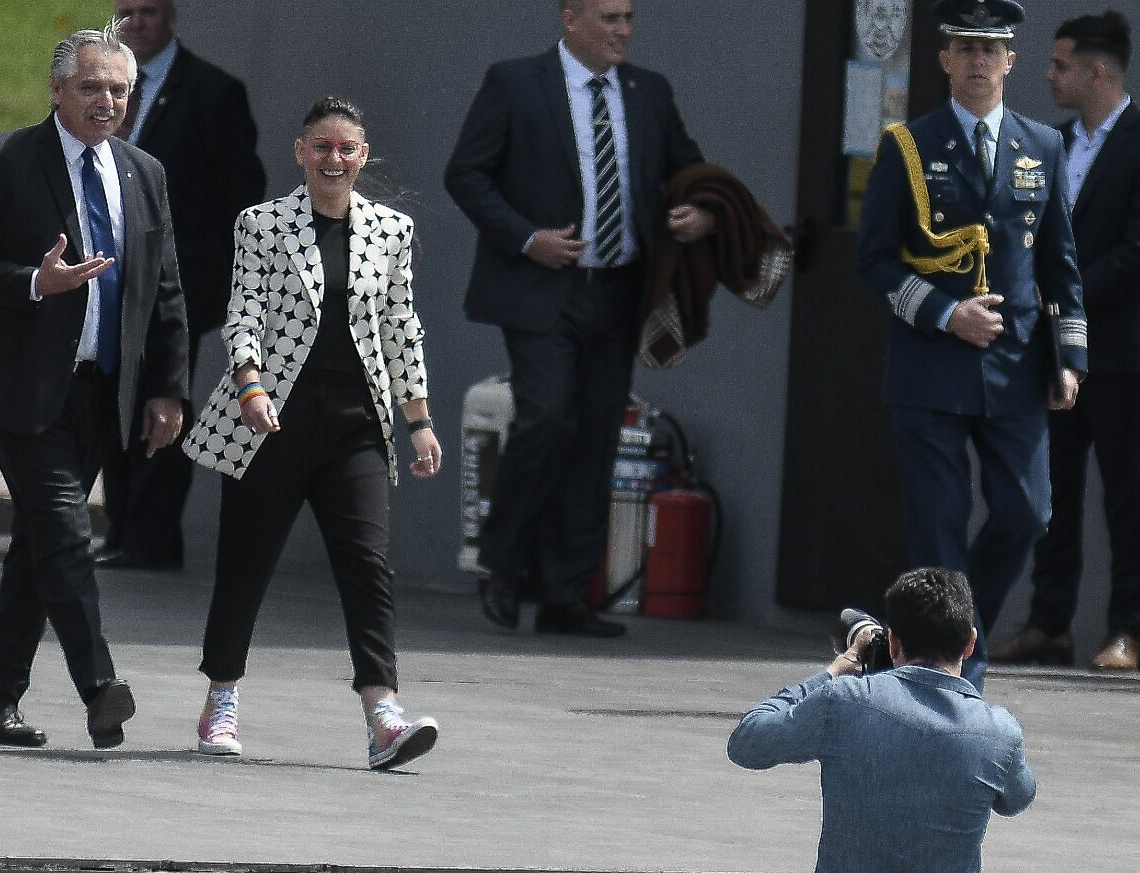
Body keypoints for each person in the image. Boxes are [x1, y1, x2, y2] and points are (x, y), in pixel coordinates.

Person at [0, 23, 189, 748]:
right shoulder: (1, 158)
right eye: (90, 87)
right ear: (56, 90)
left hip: (102, 391)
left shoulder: (144, 173)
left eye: (117, 89)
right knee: (67, 532)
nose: (105, 101)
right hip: (20, 388)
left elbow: (165, 287)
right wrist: (33, 283)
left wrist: (168, 389)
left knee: (40, 547)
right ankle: (99, 684)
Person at [182, 97, 441, 769]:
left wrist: (418, 422)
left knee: (367, 565)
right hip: (273, 417)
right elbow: (242, 312)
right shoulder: (263, 225)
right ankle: (222, 696)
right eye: (321, 147)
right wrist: (249, 383)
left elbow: (400, 328)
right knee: (246, 562)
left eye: (346, 149)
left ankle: (382, 712)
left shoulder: (391, 230)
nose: (333, 159)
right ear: (300, 152)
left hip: (356, 423)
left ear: (363, 157)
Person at [444, 0, 712, 638]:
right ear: (570, 19)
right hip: (542, 288)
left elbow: (690, 169)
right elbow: (466, 174)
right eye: (608, 18)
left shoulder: (649, 92)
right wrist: (525, 237)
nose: (622, 31)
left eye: (628, 19)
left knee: (596, 436)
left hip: (618, 291)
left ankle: (566, 594)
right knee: (545, 417)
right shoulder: (515, 82)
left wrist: (701, 210)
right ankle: (504, 568)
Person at [856, 0, 1087, 689]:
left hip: (1015, 366)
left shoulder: (1043, 145)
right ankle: (961, 671)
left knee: (1027, 512)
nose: (980, 60)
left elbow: (1059, 261)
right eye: (967, 47)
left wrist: (1070, 358)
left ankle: (952, 630)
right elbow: (875, 261)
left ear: (1012, 61)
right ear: (944, 60)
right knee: (939, 530)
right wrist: (945, 313)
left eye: (992, 48)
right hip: (931, 366)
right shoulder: (908, 145)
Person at [994, 10, 1140, 671]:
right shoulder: (1048, 145)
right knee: (1047, 495)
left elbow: (1134, 252)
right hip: (1052, 355)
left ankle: (1127, 630)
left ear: (1098, 71)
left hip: (1120, 356)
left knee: (1126, 497)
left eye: (1059, 65)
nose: (1048, 75)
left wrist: (1065, 296)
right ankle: (1049, 624)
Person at [97, 0, 266, 570]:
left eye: (148, 12)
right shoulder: (99, 84)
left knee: (163, 394)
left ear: (171, 17)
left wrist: (232, 275)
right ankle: (121, 528)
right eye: (126, 12)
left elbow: (243, 190)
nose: (136, 23)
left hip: (180, 279)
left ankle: (153, 536)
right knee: (111, 397)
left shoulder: (213, 92)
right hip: (108, 274)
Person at [727, 567, 1036, 873]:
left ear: (893, 642)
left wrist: (832, 673)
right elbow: (1018, 798)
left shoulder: (844, 699)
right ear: (970, 643)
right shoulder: (999, 732)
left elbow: (748, 743)